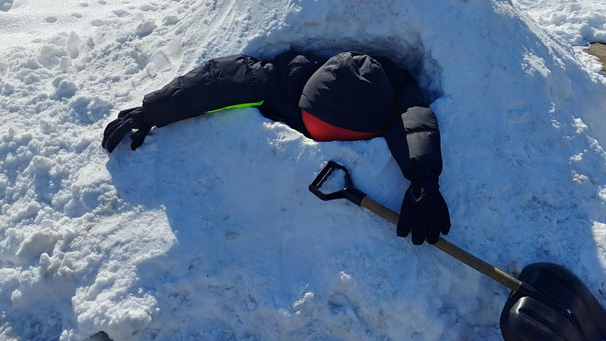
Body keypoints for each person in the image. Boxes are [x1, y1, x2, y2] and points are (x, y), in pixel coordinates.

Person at [102, 49, 450, 246]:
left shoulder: (394, 98)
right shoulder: (283, 80)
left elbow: (413, 122)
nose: (320, 143)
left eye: (337, 137)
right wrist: (154, 110)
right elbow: (218, 82)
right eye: (315, 130)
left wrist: (423, 178)